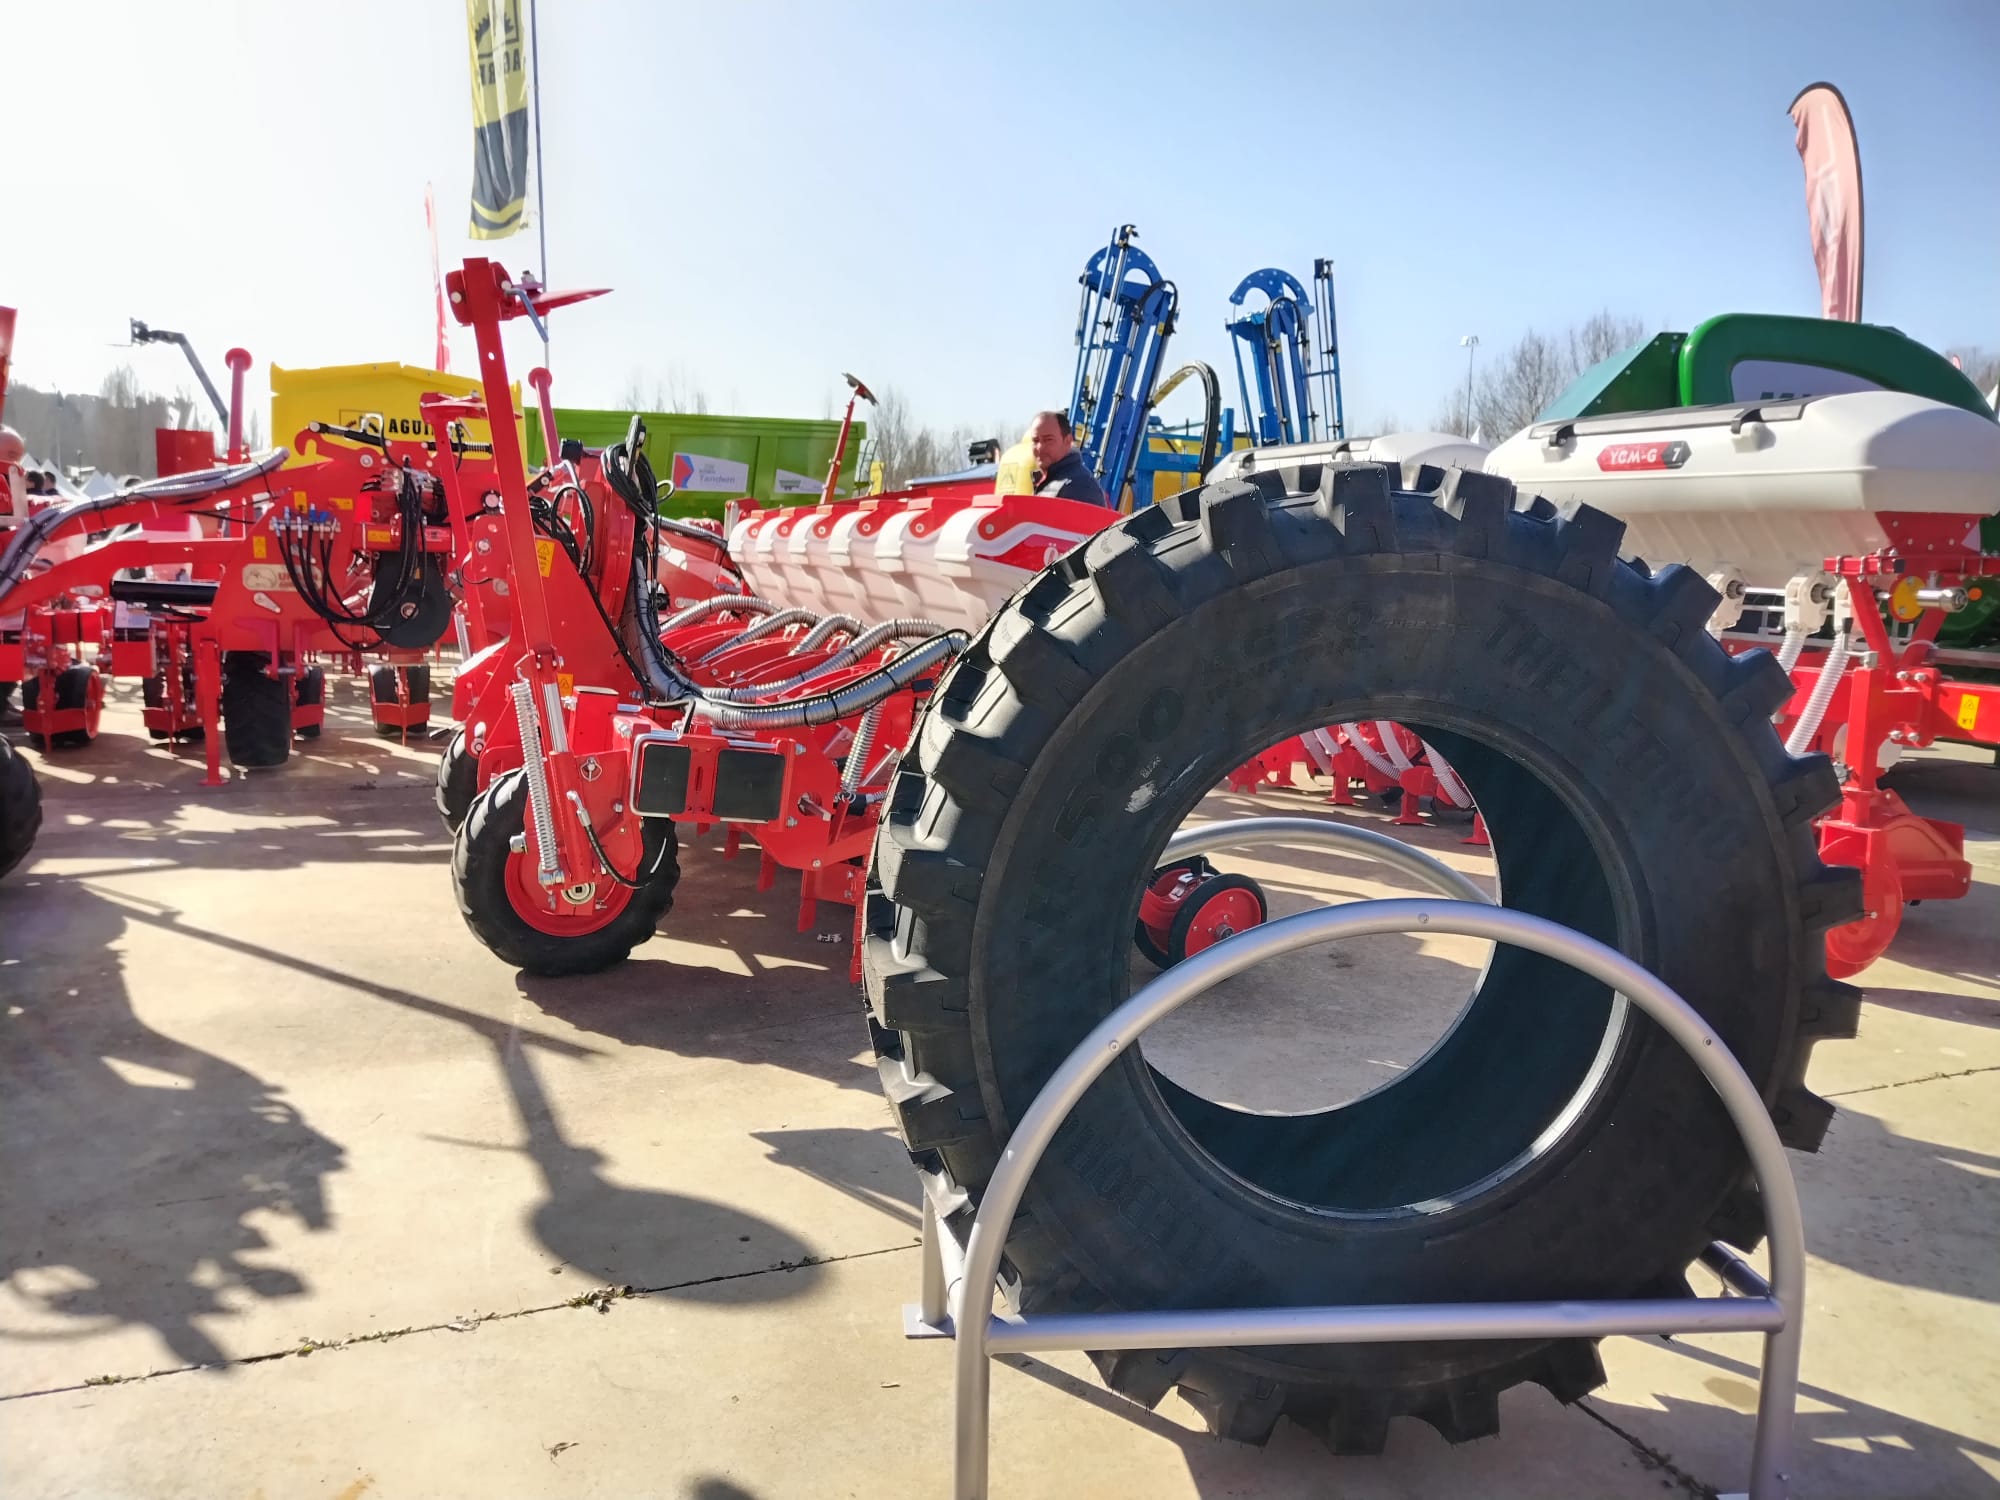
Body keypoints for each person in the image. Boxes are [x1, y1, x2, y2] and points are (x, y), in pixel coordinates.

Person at [1025, 411, 1108, 507]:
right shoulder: (1048, 483)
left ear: (1068, 441)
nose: (1040, 447)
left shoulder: (1080, 486)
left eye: (1048, 440)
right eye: (1035, 441)